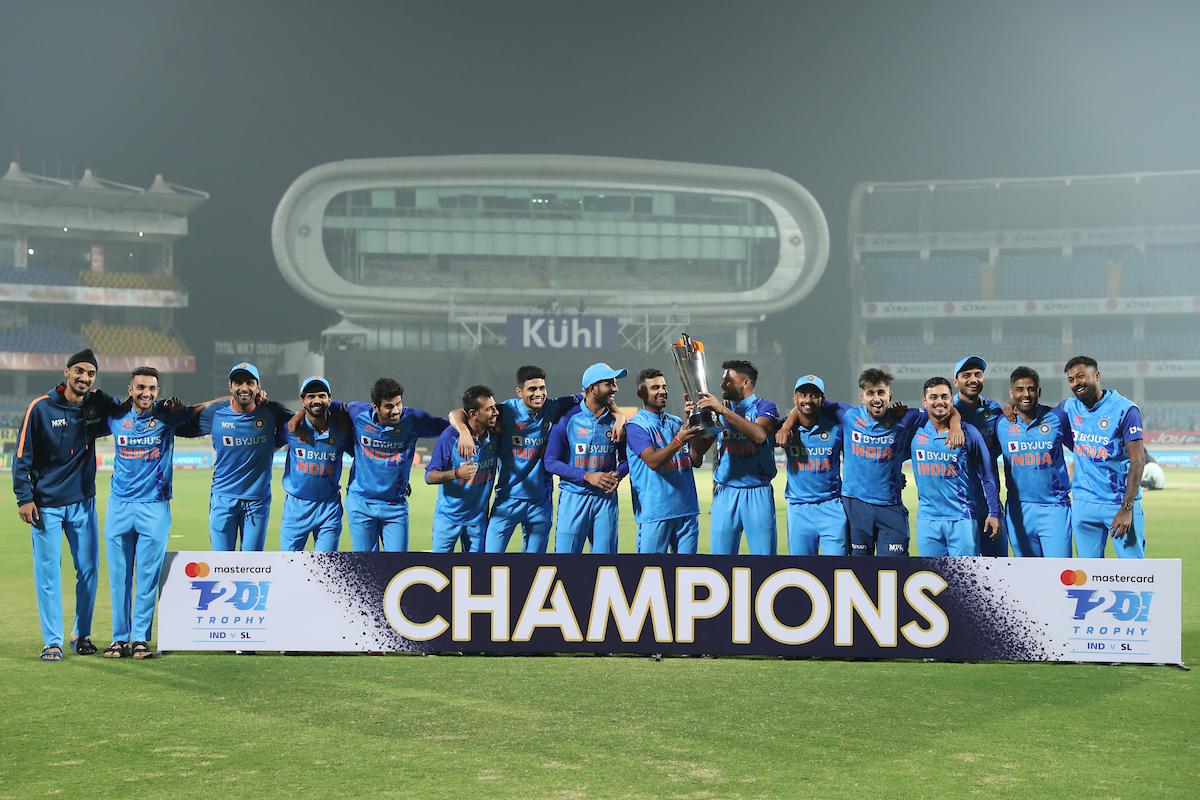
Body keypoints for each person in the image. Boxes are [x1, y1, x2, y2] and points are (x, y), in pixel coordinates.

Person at [777, 368, 962, 557]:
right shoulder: (848, 415)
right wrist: (785, 426)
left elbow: (943, 408)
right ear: (862, 397)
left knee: (894, 569)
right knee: (858, 570)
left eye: (881, 393)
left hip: (890, 506)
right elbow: (806, 404)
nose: (877, 399)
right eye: (871, 393)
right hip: (856, 506)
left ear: (890, 395)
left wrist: (955, 426)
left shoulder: (907, 416)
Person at [13, 349, 121, 661]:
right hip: (45, 505)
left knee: (88, 570)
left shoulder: (94, 410)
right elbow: (22, 457)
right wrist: (24, 498)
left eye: (91, 374)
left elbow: (122, 410)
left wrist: (102, 396)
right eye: (80, 372)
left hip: (82, 503)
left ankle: (81, 634)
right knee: (48, 573)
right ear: (66, 372)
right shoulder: (40, 407)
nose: (85, 378)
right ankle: (52, 642)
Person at [101, 367, 197, 659]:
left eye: (152, 388)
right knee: (119, 579)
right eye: (141, 387)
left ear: (158, 391)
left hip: (154, 506)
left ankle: (140, 638)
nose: (147, 393)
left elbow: (203, 411)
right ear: (130, 390)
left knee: (147, 577)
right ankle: (119, 638)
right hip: (119, 506)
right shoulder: (115, 418)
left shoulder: (168, 417)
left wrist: (243, 396)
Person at [449, 366, 581, 554]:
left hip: (540, 503)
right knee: (489, 560)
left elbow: (590, 396)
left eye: (542, 388)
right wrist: (464, 432)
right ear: (520, 392)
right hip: (507, 500)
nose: (539, 394)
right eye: (532, 389)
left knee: (534, 569)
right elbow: (456, 413)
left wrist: (617, 414)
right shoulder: (506, 410)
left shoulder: (553, 407)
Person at [181, 362, 290, 551]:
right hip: (223, 499)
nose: (244, 388)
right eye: (238, 383)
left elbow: (299, 427)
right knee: (223, 565)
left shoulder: (272, 412)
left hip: (257, 501)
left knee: (252, 564)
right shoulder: (215, 413)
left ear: (258, 386)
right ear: (230, 386)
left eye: (249, 383)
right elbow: (178, 423)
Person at [333, 377, 449, 552]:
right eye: (389, 406)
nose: (396, 411)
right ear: (375, 406)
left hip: (395, 506)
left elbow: (449, 428)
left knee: (397, 568)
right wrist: (299, 416)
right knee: (366, 569)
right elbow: (328, 405)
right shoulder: (358, 413)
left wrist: (463, 431)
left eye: (398, 404)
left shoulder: (414, 419)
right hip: (361, 503)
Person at [1059, 356, 1147, 558]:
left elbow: (1138, 460)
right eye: (1071, 379)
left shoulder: (1125, 409)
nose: (1076, 383)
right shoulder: (1069, 407)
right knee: (1087, 576)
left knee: (1134, 572)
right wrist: (1011, 406)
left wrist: (1127, 508)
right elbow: (1043, 420)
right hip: (1084, 503)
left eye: (1081, 376)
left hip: (1117, 504)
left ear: (1097, 375)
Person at [690, 360, 780, 555]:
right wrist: (695, 418)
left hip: (757, 491)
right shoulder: (719, 411)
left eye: (728, 381)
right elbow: (696, 457)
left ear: (745, 383)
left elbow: (759, 434)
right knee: (721, 562)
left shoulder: (765, 407)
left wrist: (723, 411)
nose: (723, 385)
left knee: (764, 561)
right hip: (725, 492)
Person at [910, 378, 1001, 556]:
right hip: (927, 521)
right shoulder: (914, 428)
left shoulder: (969, 433)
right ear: (925, 401)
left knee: (964, 581)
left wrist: (994, 512)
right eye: (933, 396)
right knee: (932, 580)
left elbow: (987, 475)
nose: (939, 401)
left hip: (961, 520)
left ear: (952, 400)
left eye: (944, 396)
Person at [545, 363, 628, 553]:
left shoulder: (617, 422)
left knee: (606, 567)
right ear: (593, 389)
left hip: (606, 500)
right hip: (574, 497)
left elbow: (627, 459)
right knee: (567, 565)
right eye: (609, 384)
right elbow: (550, 461)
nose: (615, 388)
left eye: (615, 383)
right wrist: (587, 476)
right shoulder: (567, 419)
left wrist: (619, 474)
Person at [996, 367, 1074, 557]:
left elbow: (1082, 452)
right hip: (1018, 509)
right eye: (1020, 389)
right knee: (1028, 576)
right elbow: (985, 461)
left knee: (1059, 575)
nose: (1026, 394)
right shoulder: (1001, 423)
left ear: (1039, 391)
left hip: (1054, 508)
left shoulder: (1057, 418)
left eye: (1031, 389)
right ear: (1011, 393)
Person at [625, 369, 704, 554]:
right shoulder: (636, 426)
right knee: (651, 576)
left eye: (664, 386)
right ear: (641, 393)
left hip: (687, 509)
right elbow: (653, 461)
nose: (662, 391)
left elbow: (695, 459)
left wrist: (698, 421)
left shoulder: (676, 422)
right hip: (655, 513)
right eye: (654, 387)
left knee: (686, 577)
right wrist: (680, 439)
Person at [773, 374, 848, 556]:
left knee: (837, 572)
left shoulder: (837, 428)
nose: (808, 400)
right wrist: (784, 428)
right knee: (802, 572)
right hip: (799, 509)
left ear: (822, 399)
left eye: (814, 395)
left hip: (831, 507)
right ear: (795, 398)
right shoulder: (784, 428)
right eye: (803, 394)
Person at [280, 376, 355, 552]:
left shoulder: (342, 430)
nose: (316, 400)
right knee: (288, 568)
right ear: (303, 401)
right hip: (295, 509)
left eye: (321, 395)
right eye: (311, 396)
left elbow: (363, 455)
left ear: (330, 399)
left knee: (325, 571)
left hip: (328, 509)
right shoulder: (290, 427)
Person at [425, 385, 500, 552]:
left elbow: (456, 412)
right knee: (440, 573)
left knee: (476, 574)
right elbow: (429, 476)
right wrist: (456, 473)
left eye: (494, 407)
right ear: (473, 414)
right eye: (489, 409)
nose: (496, 412)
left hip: (477, 521)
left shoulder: (494, 434)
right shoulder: (450, 437)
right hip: (447, 519)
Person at [952, 355, 1009, 557]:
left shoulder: (995, 410)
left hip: (988, 500)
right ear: (955, 381)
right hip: (958, 504)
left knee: (999, 565)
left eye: (978, 374)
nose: (973, 379)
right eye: (966, 375)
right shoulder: (945, 411)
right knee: (963, 571)